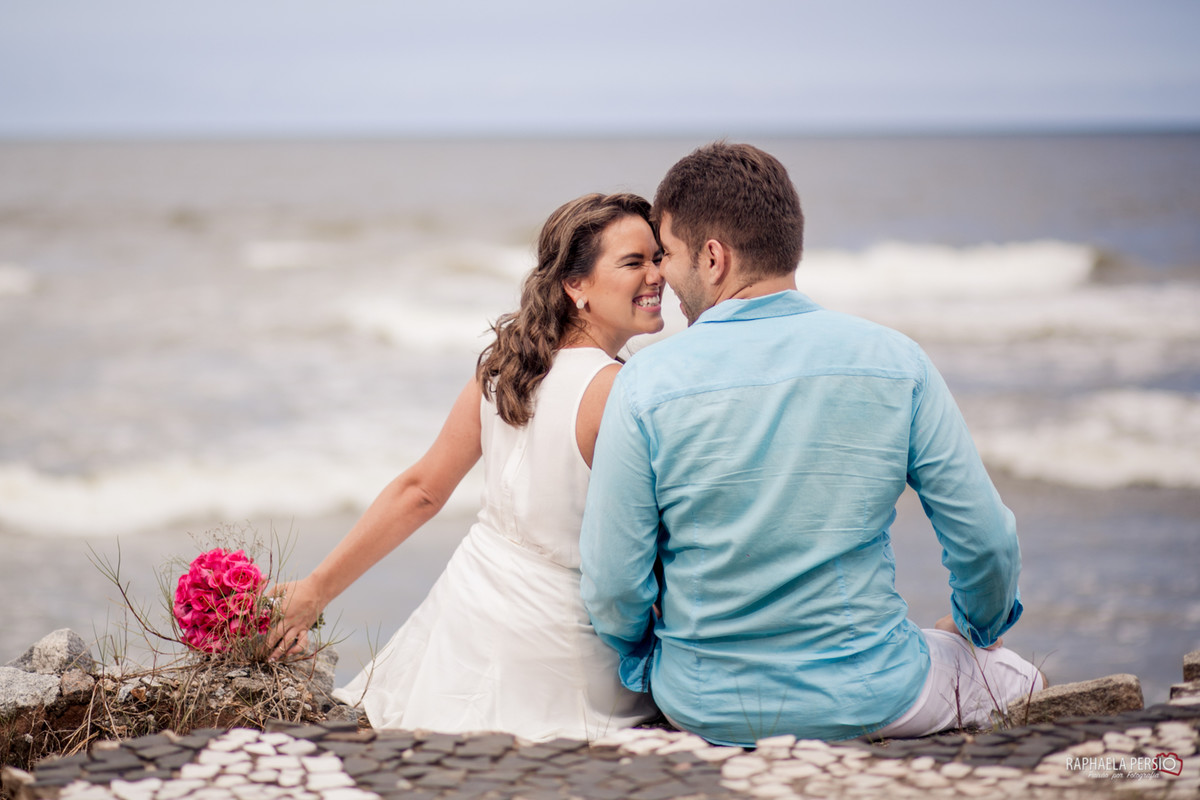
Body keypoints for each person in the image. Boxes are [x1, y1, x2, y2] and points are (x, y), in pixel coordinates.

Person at [579, 142, 1044, 747]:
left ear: (713, 258)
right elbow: (986, 541)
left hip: (704, 703)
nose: (661, 274)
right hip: (875, 694)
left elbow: (613, 585)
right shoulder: (894, 360)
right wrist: (977, 627)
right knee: (1023, 679)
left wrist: (652, 664)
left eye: (667, 254)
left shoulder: (644, 383)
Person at [269, 192, 664, 741]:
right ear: (576, 285)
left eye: (659, 257)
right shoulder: (616, 389)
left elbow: (421, 491)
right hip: (561, 657)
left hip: (463, 627)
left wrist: (314, 590)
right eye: (633, 262)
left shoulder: (506, 369)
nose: (656, 275)